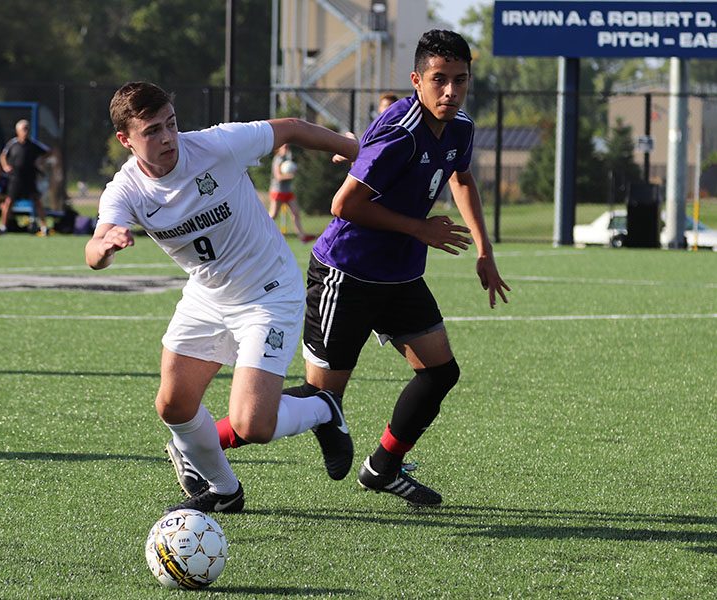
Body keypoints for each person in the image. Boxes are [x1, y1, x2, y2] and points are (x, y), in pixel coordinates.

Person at [85, 81, 359, 514]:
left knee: (253, 423)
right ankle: (224, 490)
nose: (168, 137)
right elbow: (94, 249)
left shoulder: (217, 145)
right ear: (126, 140)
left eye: (171, 124)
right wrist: (104, 247)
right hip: (207, 296)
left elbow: (288, 127)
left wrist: (352, 147)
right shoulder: (125, 190)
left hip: (268, 292)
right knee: (173, 405)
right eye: (152, 131)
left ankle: (322, 407)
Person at [296, 30, 510, 508]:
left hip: (400, 277)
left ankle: (383, 468)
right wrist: (419, 228)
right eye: (439, 80)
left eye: (460, 80)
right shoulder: (401, 131)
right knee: (320, 403)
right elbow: (343, 204)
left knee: (440, 372)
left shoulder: (460, 128)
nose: (450, 91)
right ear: (417, 80)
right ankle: (205, 444)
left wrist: (484, 249)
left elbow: (462, 177)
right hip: (345, 273)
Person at [0, 119, 50, 236]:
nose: (26, 131)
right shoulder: (13, 144)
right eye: (24, 129)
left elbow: (48, 152)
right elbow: (3, 155)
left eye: (27, 129)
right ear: (18, 131)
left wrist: (40, 161)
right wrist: (5, 166)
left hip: (29, 178)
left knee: (37, 202)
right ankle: (3, 227)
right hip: (16, 178)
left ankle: (44, 228)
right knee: (8, 202)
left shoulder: (33, 144)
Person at [267, 144, 315, 243]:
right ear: (279, 149)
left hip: (287, 191)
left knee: (295, 213)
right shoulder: (278, 159)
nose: (286, 149)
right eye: (284, 147)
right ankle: (263, 234)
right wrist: (291, 175)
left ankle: (302, 236)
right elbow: (278, 177)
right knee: (273, 215)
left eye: (287, 147)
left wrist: (294, 170)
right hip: (278, 191)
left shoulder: (287, 159)